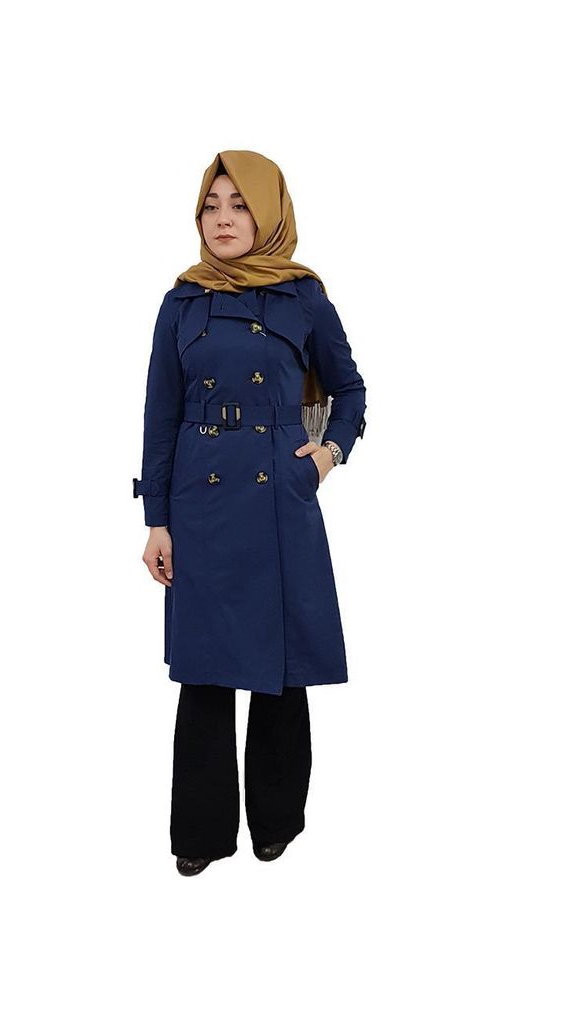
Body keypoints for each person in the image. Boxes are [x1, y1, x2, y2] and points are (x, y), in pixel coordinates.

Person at [133, 150, 367, 876]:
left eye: (239, 204)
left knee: (280, 663)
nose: (223, 219)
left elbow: (350, 391)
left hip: (278, 496)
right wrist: (156, 519)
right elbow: (160, 415)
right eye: (211, 206)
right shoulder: (182, 301)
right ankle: (201, 834)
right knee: (204, 670)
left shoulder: (303, 296)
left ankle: (277, 819)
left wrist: (326, 455)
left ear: (268, 213)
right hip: (199, 503)